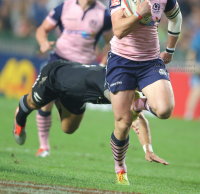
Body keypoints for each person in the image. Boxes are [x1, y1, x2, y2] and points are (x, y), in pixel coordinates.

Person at [13, 60, 169, 179]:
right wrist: (154, 106)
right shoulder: (116, 85)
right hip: (55, 76)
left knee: (68, 129)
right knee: (34, 102)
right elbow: (138, 109)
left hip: (75, 93)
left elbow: (138, 116)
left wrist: (148, 149)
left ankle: (60, 99)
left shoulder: (125, 87)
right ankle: (20, 117)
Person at [106, 0, 182, 185]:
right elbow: (117, 30)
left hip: (150, 61)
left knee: (165, 110)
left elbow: (176, 17)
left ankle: (136, 103)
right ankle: (120, 168)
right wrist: (139, 14)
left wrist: (169, 49)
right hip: (121, 61)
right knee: (123, 122)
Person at [35, 0, 113, 157]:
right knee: (44, 101)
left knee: (69, 129)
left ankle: (62, 102)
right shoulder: (65, 7)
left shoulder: (103, 14)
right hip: (58, 61)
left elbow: (111, 41)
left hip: (81, 70)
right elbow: (42, 29)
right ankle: (43, 146)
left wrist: (104, 61)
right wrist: (43, 43)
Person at [184, 28, 200, 120]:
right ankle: (189, 114)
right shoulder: (198, 35)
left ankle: (188, 114)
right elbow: (193, 50)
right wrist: (190, 65)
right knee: (197, 88)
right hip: (198, 66)